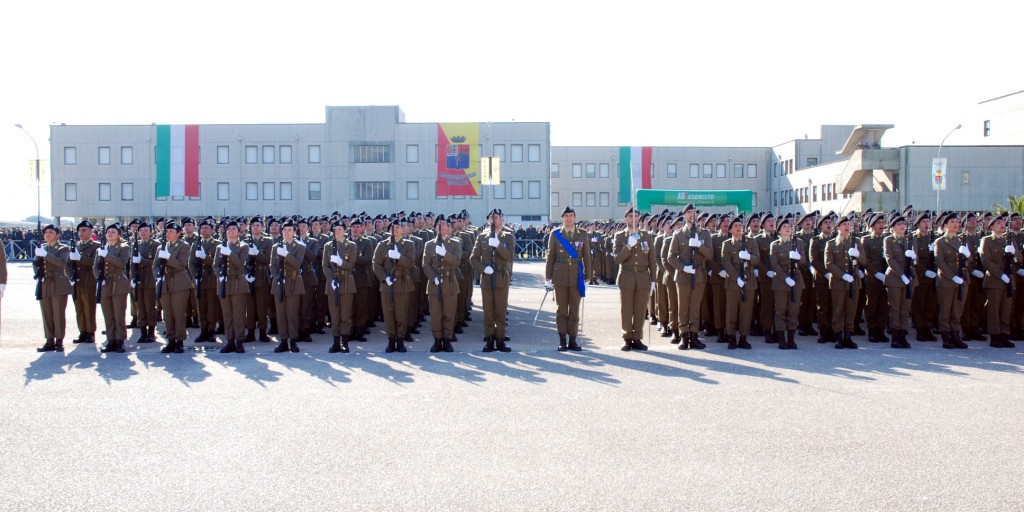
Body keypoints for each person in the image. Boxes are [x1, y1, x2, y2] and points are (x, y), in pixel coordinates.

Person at [545, 207, 591, 351]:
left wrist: (588, 278)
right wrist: (548, 278)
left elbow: (587, 257)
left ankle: (573, 340)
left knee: (574, 310)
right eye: (566, 216)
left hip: (577, 277)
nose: (569, 218)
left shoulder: (582, 234)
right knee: (562, 310)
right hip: (560, 276)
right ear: (562, 218)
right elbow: (550, 257)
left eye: (571, 215)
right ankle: (562, 340)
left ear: (575, 218)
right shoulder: (556, 234)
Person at [667, 203, 712, 350]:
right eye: (689, 212)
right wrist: (683, 268)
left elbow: (710, 255)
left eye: (694, 212)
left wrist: (699, 245)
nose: (692, 214)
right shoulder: (678, 234)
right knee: (683, 307)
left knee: (695, 307)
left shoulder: (704, 234)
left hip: (698, 275)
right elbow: (670, 257)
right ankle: (684, 336)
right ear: (684, 215)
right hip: (683, 276)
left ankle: (694, 335)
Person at [471, 209, 516, 353]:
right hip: (487, 277)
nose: (494, 220)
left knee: (500, 310)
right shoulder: (482, 237)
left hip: (501, 276)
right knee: (488, 310)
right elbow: (473, 258)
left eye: (496, 217)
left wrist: (498, 245)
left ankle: (500, 339)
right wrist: (483, 268)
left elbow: (510, 256)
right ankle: (489, 339)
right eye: (491, 218)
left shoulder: (508, 237)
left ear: (502, 220)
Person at [613, 207, 656, 351]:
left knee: (640, 309)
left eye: (636, 216)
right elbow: (617, 259)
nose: (634, 218)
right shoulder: (620, 236)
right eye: (631, 216)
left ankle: (637, 338)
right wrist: (628, 246)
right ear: (625, 219)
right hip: (627, 276)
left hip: (643, 277)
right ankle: (627, 338)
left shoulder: (646, 236)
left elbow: (652, 259)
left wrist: (654, 280)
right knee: (626, 310)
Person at [372, 218, 417, 353]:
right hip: (387, 284)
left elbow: (411, 262)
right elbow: (376, 264)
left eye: (398, 227)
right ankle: (391, 340)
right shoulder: (382, 245)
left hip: (402, 283)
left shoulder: (409, 244)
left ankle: (400, 340)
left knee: (401, 313)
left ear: (403, 230)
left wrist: (398, 257)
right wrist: (385, 278)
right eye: (393, 227)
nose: (395, 230)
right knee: (388, 313)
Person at [825, 215, 868, 349]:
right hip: (838, 282)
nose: (847, 227)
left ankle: (848, 336)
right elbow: (829, 264)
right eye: (844, 225)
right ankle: (838, 337)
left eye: (848, 224)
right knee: (838, 310)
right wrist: (843, 275)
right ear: (837, 227)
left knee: (851, 310)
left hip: (853, 282)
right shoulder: (831, 244)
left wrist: (858, 255)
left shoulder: (856, 242)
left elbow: (864, 261)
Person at [980, 214, 1022, 348]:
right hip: (994, 280)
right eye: (998, 223)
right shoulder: (987, 240)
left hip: (1009, 280)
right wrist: (1000, 274)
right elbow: (986, 260)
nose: (1002, 224)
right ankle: (995, 336)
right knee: (994, 310)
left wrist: (1014, 252)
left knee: (1006, 309)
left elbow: (1020, 259)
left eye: (1002, 222)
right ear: (991, 227)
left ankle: (1004, 335)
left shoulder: (1008, 239)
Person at [426, 215, 463, 352]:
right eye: (438, 224)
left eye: (444, 224)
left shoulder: (455, 243)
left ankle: (447, 340)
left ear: (449, 228)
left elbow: (457, 261)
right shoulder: (429, 245)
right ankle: (437, 340)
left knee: (449, 313)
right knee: (436, 314)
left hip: (449, 282)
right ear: (435, 228)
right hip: (434, 283)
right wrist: (433, 277)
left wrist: (445, 253)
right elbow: (425, 264)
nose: (441, 227)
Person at [933, 214, 970, 349]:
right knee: (946, 309)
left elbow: (969, 261)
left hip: (962, 280)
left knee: (957, 309)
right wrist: (952, 276)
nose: (956, 224)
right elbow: (940, 262)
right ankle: (946, 337)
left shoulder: (961, 240)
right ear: (945, 225)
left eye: (957, 222)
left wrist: (968, 255)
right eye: (952, 222)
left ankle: (956, 336)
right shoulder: (940, 242)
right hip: (946, 281)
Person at [722, 218, 759, 349]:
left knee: (746, 311)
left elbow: (757, 259)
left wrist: (748, 257)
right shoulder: (727, 244)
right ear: (730, 230)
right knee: (731, 311)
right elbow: (726, 263)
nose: (738, 227)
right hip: (733, 281)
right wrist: (737, 278)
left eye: (740, 225)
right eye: (735, 226)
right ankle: (731, 337)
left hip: (748, 280)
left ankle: (743, 338)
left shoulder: (751, 241)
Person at [215, 221, 252, 354]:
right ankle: (230, 341)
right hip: (224, 282)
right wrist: (219, 275)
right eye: (229, 229)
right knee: (227, 314)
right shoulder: (219, 247)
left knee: (238, 314)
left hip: (238, 283)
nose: (231, 231)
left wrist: (229, 253)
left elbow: (240, 263)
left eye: (233, 229)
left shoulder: (243, 246)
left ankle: (239, 342)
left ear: (239, 232)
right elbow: (215, 265)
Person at [768, 218, 805, 350]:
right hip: (781, 281)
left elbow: (804, 261)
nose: (787, 228)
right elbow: (774, 264)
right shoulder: (775, 245)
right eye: (784, 227)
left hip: (796, 280)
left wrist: (798, 257)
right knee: (780, 311)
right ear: (779, 231)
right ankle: (781, 339)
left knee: (794, 311)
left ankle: (791, 339)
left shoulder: (798, 242)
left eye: (789, 226)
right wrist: (785, 278)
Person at [270, 220, 306, 353]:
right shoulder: (276, 247)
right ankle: (283, 340)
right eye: (285, 230)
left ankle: (293, 341)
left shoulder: (300, 246)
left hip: (293, 281)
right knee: (280, 314)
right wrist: (277, 277)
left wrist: (286, 254)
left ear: (294, 232)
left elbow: (297, 264)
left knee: (292, 313)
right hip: (279, 282)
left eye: (289, 230)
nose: (287, 232)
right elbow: (272, 265)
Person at [35, 225, 73, 352]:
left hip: (58, 282)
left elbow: (62, 263)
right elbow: (36, 264)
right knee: (46, 313)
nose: (47, 234)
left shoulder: (63, 248)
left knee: (58, 313)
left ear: (57, 235)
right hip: (45, 283)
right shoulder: (42, 248)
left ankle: (59, 341)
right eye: (46, 232)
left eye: (51, 232)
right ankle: (49, 340)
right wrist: (37, 273)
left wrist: (45, 254)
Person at [322, 219, 358, 353]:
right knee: (334, 315)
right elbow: (325, 266)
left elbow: (351, 265)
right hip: (333, 283)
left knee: (345, 315)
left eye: (340, 229)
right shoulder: (328, 246)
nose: (337, 232)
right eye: (335, 229)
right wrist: (331, 279)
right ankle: (335, 342)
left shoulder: (351, 245)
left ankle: (345, 342)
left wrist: (340, 262)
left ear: (344, 231)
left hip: (346, 282)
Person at [157, 222, 192, 354]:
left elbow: (181, 265)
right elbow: (155, 265)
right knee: (168, 313)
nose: (168, 234)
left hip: (179, 282)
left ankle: (180, 341)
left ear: (178, 234)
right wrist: (158, 276)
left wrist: (168, 257)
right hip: (165, 282)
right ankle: (170, 340)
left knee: (179, 313)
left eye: (171, 231)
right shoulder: (161, 246)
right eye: (167, 231)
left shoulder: (184, 246)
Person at [95, 224, 131, 353]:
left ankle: (120, 341)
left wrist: (107, 255)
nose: (110, 234)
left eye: (113, 232)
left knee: (118, 314)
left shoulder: (124, 247)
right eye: (108, 232)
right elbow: (95, 267)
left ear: (119, 235)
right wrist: (99, 277)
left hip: (118, 283)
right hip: (105, 283)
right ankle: (111, 340)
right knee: (108, 314)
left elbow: (122, 263)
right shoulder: (101, 248)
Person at [883, 215, 915, 349]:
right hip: (895, 278)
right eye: (899, 224)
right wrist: (901, 275)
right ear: (893, 227)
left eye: (903, 224)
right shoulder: (889, 240)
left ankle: (903, 335)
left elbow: (915, 260)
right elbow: (890, 259)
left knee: (905, 309)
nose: (902, 226)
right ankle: (895, 337)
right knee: (895, 308)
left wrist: (914, 258)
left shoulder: (910, 240)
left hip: (909, 278)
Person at [190, 219, 222, 343]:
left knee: (212, 306)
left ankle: (211, 330)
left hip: (212, 278)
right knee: (201, 306)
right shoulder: (195, 244)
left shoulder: (217, 244)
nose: (203, 230)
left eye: (206, 228)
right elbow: (191, 263)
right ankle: (203, 330)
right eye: (202, 228)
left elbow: (217, 263)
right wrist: (195, 276)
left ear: (212, 230)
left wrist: (205, 257)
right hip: (200, 279)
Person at [70, 220, 101, 344]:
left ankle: (90, 332)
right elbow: (68, 263)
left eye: (84, 230)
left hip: (89, 280)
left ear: (91, 232)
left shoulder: (96, 246)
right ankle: (82, 331)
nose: (81, 233)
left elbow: (96, 262)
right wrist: (70, 276)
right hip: (76, 280)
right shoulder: (76, 246)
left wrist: (80, 258)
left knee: (89, 308)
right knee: (79, 308)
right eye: (79, 230)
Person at [862, 214, 890, 343]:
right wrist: (876, 273)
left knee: (883, 305)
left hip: (886, 277)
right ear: (872, 225)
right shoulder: (866, 240)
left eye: (883, 222)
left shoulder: (887, 239)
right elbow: (865, 260)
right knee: (871, 305)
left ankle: (881, 330)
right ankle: (872, 330)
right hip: (872, 278)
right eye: (879, 222)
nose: (881, 225)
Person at [133, 222, 159, 344]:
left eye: (145, 230)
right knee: (140, 307)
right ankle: (143, 332)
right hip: (139, 278)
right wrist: (132, 277)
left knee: (150, 306)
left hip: (150, 278)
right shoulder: (136, 244)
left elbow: (156, 262)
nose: (143, 233)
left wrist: (142, 260)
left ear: (151, 232)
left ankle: (151, 332)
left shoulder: (155, 245)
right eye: (141, 230)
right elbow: (132, 264)